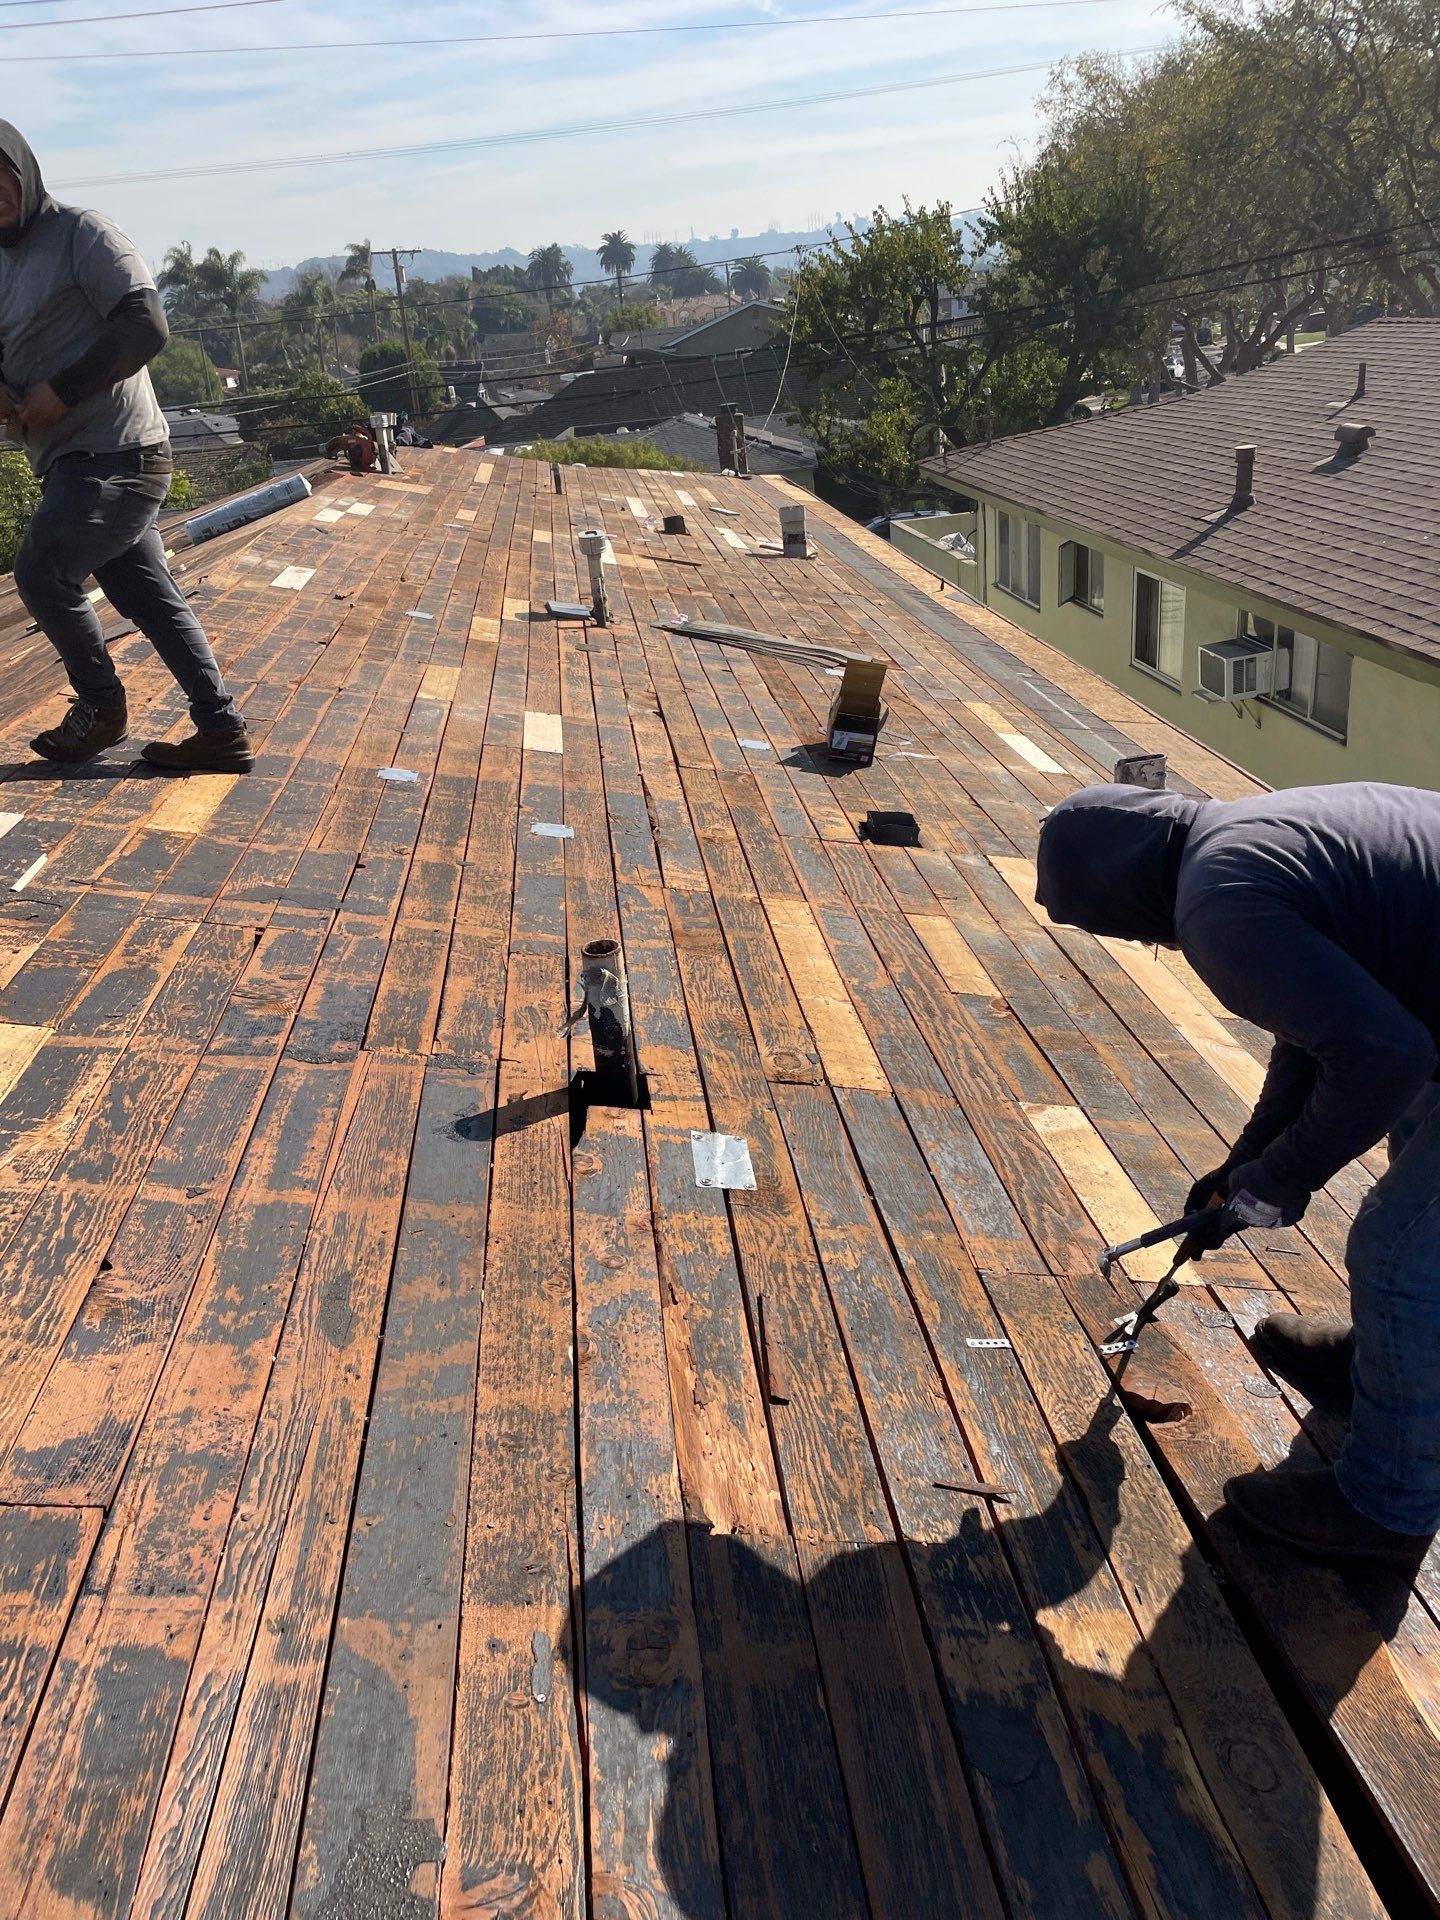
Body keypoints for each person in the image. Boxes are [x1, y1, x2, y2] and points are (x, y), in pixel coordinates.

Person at [1035, 781, 1440, 1571]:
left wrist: (1273, 1185)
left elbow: (1382, 1058)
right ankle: (1384, 1366)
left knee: (1399, 1254)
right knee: (1415, 1132)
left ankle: (1389, 1504)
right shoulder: (1241, 841)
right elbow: (1323, 1024)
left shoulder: (1217, 909)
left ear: (1120, 904)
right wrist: (1245, 1161)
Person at [0, 122, 252, 773]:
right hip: (70, 465)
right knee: (148, 594)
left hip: (119, 459)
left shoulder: (82, 233)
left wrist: (62, 389)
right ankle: (221, 729)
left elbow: (146, 323)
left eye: (1, 173)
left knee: (39, 571)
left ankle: (101, 707)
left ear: (25, 172)